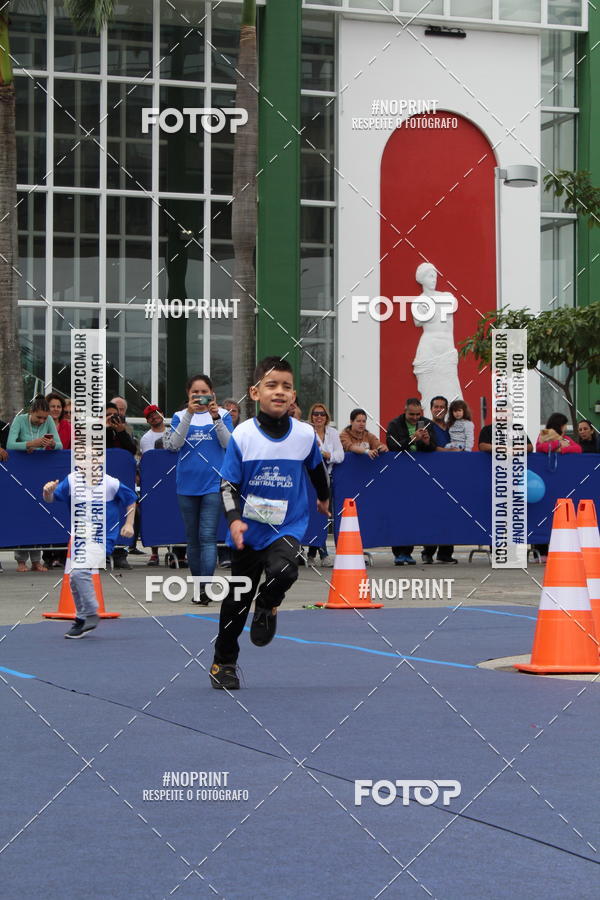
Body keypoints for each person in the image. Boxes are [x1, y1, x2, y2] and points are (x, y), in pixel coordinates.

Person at [210, 356, 330, 690]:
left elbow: (317, 469)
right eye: (271, 385)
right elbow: (228, 485)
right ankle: (224, 663)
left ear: (293, 396)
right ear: (255, 391)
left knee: (285, 571)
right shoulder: (243, 435)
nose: (279, 392)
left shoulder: (305, 435)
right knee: (237, 601)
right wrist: (234, 521)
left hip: (287, 525)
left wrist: (323, 498)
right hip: (248, 531)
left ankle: (268, 604)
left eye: (286, 386)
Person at [163, 374, 233, 604]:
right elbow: (174, 444)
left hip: (214, 483)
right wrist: (190, 415)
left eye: (204, 392)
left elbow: (229, 444)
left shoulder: (222, 415)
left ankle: (205, 589)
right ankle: (198, 585)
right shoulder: (179, 416)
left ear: (212, 393)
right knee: (192, 539)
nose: (200, 397)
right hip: (186, 484)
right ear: (188, 394)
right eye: (195, 393)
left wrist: (215, 418)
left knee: (207, 536)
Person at [43, 473, 136, 638]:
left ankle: (91, 613)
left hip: (102, 538)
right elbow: (50, 499)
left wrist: (129, 524)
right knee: (74, 578)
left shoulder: (111, 483)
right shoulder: (72, 480)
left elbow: (131, 500)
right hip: (81, 539)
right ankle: (81, 618)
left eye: (94, 458)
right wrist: (47, 491)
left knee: (79, 573)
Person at [8, 395, 63, 572]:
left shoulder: (48, 422)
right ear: (31, 412)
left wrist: (51, 444)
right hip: (21, 473)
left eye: (44, 418)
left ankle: (37, 560)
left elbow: (60, 445)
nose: (42, 421)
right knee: (23, 513)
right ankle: (21, 560)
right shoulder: (19, 420)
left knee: (38, 513)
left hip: (40, 473)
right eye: (38, 417)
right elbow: (10, 444)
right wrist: (31, 444)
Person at [387, 399, 437, 566]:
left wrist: (427, 442)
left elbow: (434, 448)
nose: (415, 418)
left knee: (423, 513)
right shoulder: (394, 424)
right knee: (401, 513)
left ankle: (425, 551)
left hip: (422, 473)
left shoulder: (427, 424)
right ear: (405, 411)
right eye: (411, 414)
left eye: (418, 414)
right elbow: (393, 446)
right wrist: (412, 439)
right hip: (401, 474)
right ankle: (400, 552)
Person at [412, 262, 462, 416]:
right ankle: (430, 424)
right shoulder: (419, 302)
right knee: (429, 391)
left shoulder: (446, 297)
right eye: (430, 276)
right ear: (422, 279)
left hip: (447, 349)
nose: (434, 279)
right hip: (429, 349)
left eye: (435, 276)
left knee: (453, 390)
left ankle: (453, 425)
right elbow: (417, 321)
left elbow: (453, 306)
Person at [306, 402, 344, 566]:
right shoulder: (307, 432)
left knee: (323, 514)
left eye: (322, 414)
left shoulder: (333, 433)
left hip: (326, 477)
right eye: (315, 414)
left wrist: (325, 454)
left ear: (327, 417)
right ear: (311, 416)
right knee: (312, 516)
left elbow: (340, 455)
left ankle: (316, 553)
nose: (319, 417)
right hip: (309, 478)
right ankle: (317, 553)